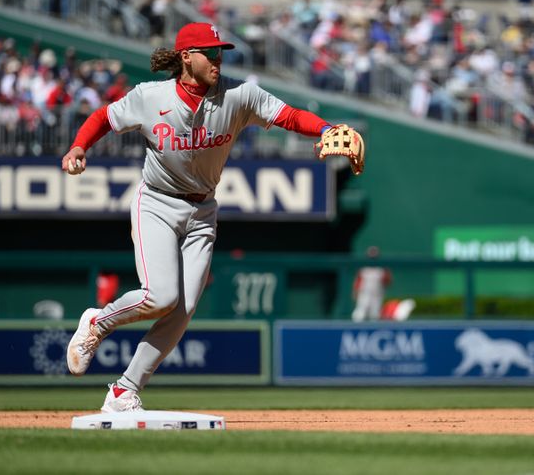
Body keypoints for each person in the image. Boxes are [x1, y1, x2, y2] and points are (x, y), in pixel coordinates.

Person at [62, 22, 334, 412]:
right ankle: (98, 323)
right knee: (160, 296)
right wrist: (78, 147)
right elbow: (105, 117)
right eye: (210, 52)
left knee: (184, 308)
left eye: (221, 52)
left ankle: (124, 391)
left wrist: (326, 128)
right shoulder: (150, 96)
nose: (218, 60)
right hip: (156, 202)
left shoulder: (240, 94)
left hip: (203, 209)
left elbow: (289, 116)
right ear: (187, 57)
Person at [351, 246, 392, 322]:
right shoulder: (363, 267)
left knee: (375, 314)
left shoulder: (382, 267)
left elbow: (388, 282)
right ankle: (356, 328)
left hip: (377, 294)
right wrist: (355, 292)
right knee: (360, 313)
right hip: (364, 293)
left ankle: (373, 329)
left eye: (374, 253)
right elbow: (358, 281)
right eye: (371, 253)